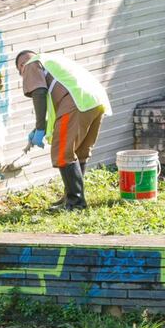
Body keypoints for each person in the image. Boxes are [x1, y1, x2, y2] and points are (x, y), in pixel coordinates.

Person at [16, 50, 110, 210]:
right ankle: (70, 197)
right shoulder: (52, 61)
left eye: (20, 72)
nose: (23, 75)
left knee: (62, 152)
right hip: (95, 101)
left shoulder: (31, 64)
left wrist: (40, 129)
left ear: (21, 66)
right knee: (79, 151)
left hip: (76, 102)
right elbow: (54, 105)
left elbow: (39, 93)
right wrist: (42, 126)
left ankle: (76, 203)